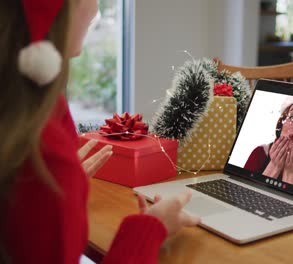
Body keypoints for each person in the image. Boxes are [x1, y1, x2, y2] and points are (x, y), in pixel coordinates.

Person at [0, 0, 199, 263]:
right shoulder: (43, 155)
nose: (96, 9)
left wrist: (67, 188)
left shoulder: (28, 124)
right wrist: (152, 226)